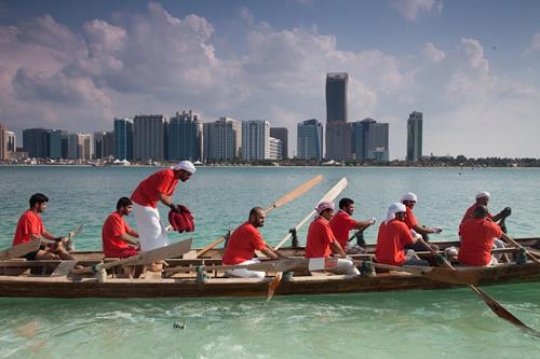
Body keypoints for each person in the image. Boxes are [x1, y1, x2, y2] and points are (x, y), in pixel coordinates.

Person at [131, 160, 195, 251]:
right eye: (188, 174)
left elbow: (167, 196)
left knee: (161, 230)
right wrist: (173, 206)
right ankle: (150, 252)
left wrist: (175, 209)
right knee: (155, 229)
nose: (189, 177)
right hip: (140, 201)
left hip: (151, 203)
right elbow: (160, 195)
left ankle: (162, 249)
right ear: (181, 170)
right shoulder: (168, 174)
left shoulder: (175, 179)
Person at [221, 207, 285, 278]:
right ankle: (239, 279)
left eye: (263, 218)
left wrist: (281, 256)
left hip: (232, 262)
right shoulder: (251, 230)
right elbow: (264, 250)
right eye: (261, 218)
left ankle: (236, 275)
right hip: (232, 264)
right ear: (253, 217)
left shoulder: (248, 227)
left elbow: (265, 244)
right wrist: (280, 260)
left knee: (261, 264)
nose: (263, 220)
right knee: (260, 274)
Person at [12, 193, 74, 260]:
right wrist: (49, 244)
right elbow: (33, 237)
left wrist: (56, 239)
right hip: (22, 249)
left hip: (33, 246)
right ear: (36, 204)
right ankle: (66, 269)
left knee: (59, 249)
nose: (45, 207)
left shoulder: (36, 216)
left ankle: (76, 267)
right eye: (44, 204)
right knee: (50, 256)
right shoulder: (28, 216)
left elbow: (44, 232)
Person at [305, 201, 360, 275]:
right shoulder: (323, 224)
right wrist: (344, 256)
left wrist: (336, 255)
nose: (333, 215)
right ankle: (358, 282)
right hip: (319, 263)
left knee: (340, 261)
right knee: (349, 264)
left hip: (311, 262)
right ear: (325, 212)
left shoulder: (314, 223)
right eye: (332, 212)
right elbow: (334, 243)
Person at [460, 191, 511, 260]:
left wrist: (502, 215)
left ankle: (506, 263)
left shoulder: (480, 209)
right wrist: (502, 215)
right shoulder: (477, 210)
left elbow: (490, 220)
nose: (486, 202)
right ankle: (502, 263)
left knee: (499, 244)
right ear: (477, 200)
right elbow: (492, 222)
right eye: (484, 199)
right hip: (471, 235)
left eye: (487, 199)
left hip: (474, 235)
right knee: (498, 245)